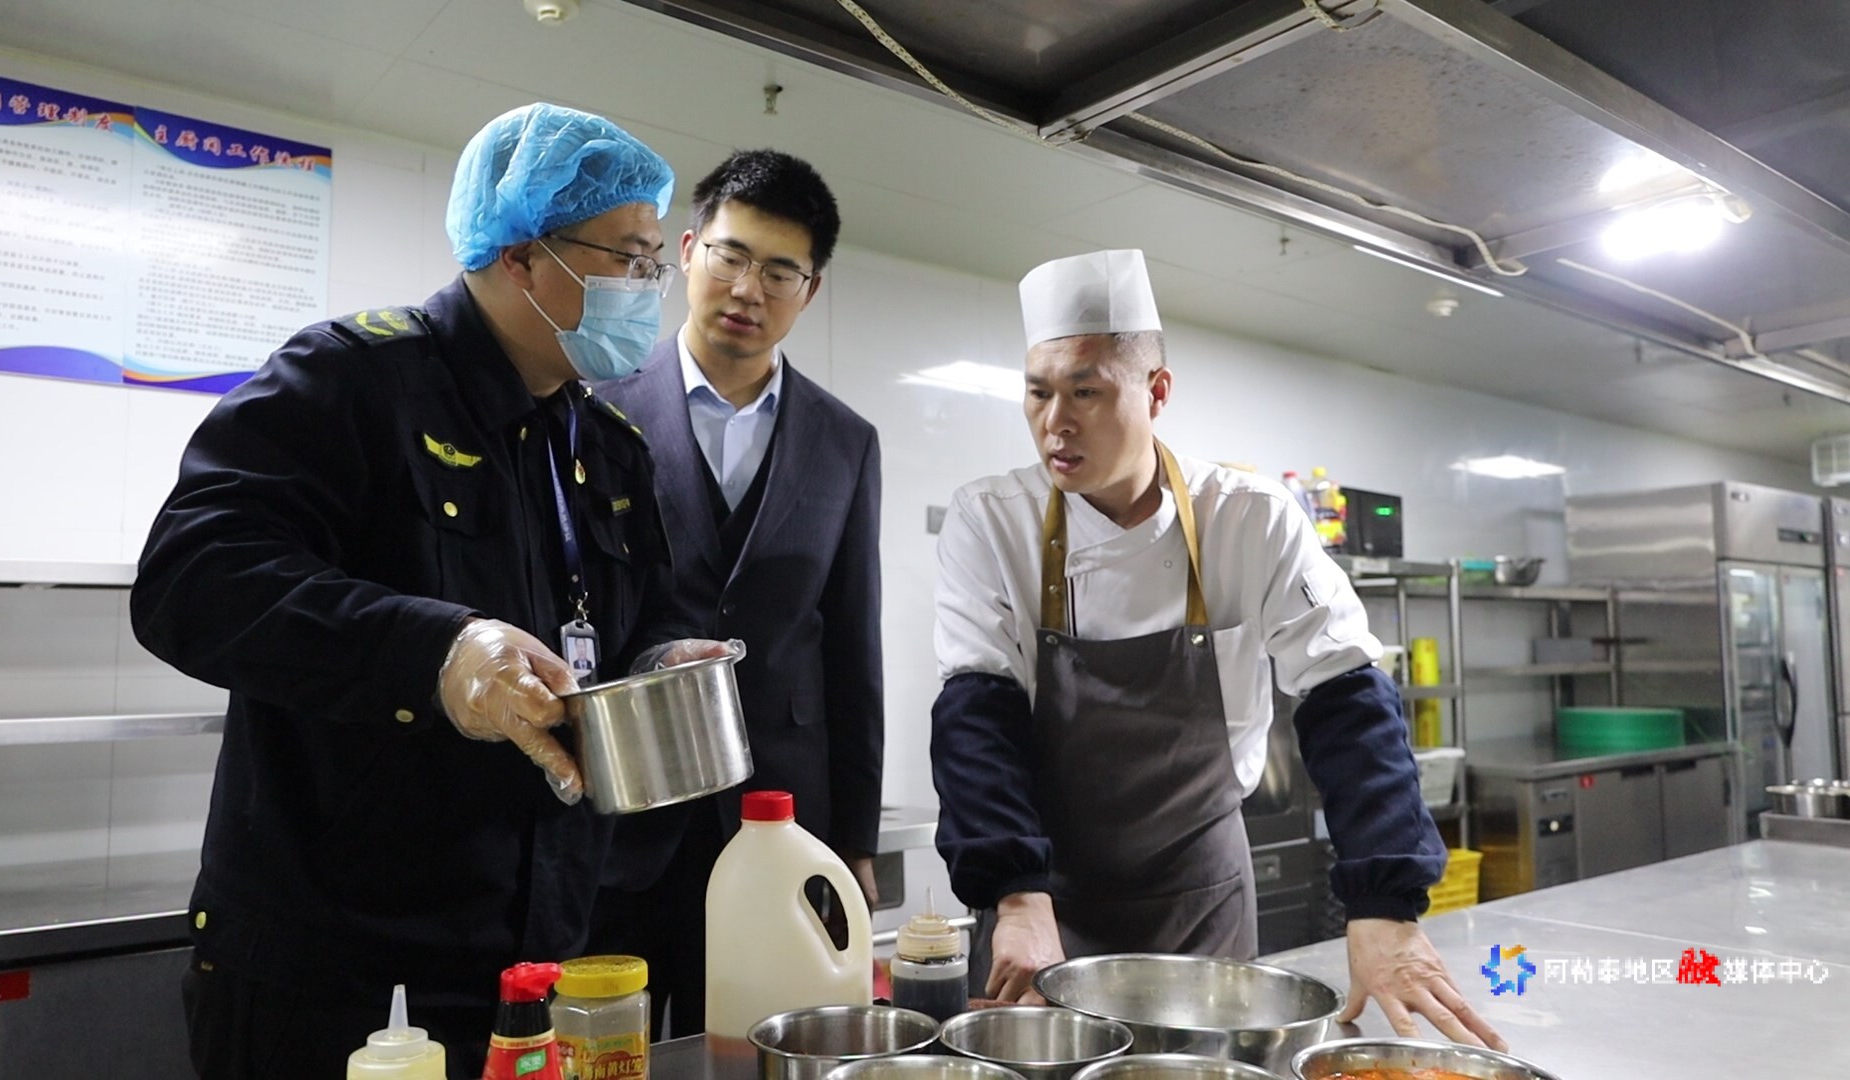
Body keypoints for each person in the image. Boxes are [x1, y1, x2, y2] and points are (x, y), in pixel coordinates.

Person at [131, 103, 732, 1079]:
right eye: (628, 258)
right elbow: (192, 578)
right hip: (337, 979)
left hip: (534, 966)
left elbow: (634, 622)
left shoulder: (607, 448)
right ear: (522, 256)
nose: (647, 288)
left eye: (654, 262)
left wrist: (665, 659)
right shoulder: (352, 382)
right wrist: (437, 654)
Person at [929, 249, 1506, 1050]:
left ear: (1157, 391)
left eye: (1086, 391)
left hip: (1199, 893)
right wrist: (1014, 894)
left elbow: (1346, 694)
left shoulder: (1250, 518)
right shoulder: (992, 519)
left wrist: (1384, 902)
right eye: (1038, 391)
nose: (1055, 422)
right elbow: (975, 712)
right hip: (1043, 897)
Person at [591, 149, 883, 1037]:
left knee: (760, 1046)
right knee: (610, 1048)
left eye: (781, 271)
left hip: (780, 820)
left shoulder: (845, 442)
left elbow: (853, 650)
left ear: (811, 290)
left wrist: (855, 844)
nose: (748, 290)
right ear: (687, 252)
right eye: (731, 256)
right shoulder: (595, 405)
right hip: (626, 815)